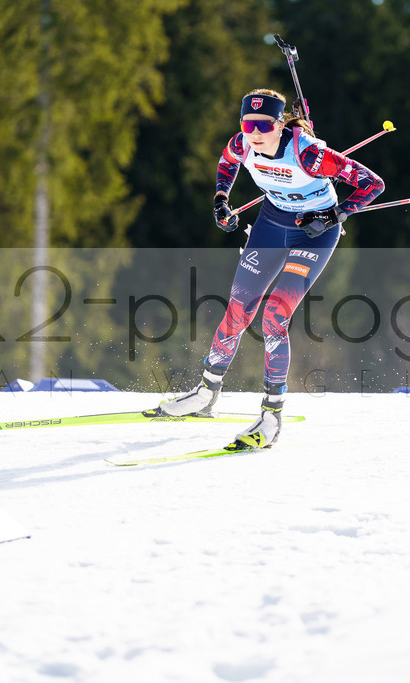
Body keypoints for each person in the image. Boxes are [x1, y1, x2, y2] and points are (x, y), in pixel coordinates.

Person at [153, 88, 385, 448]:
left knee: (275, 315)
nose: (255, 133)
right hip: (271, 225)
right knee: (238, 308)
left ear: (279, 125)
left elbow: (373, 184)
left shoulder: (309, 154)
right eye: (248, 125)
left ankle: (271, 415)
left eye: (263, 125)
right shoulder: (242, 144)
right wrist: (221, 199)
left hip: (313, 233)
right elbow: (227, 162)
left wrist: (334, 215)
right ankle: (206, 393)